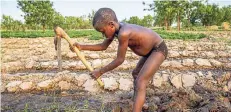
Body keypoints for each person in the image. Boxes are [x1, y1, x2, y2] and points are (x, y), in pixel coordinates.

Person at [71, 8, 168, 112]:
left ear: (111, 25)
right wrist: (82, 47)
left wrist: (100, 71)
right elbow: (103, 46)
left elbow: (120, 60)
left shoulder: (124, 33)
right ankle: (139, 104)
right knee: (136, 74)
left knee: (140, 81)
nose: (103, 35)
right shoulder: (116, 29)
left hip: (158, 49)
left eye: (103, 31)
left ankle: (137, 108)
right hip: (149, 52)